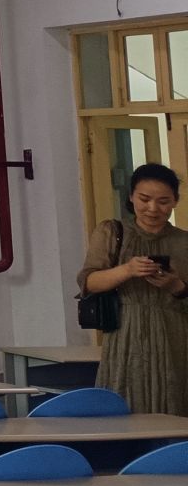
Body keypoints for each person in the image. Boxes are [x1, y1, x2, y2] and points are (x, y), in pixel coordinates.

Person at [78, 163, 188, 416]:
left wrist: (176, 286)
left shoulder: (183, 241)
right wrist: (127, 270)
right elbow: (88, 282)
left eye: (163, 201)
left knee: (175, 403)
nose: (153, 208)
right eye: (144, 199)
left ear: (175, 201)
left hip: (175, 335)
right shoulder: (112, 232)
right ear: (131, 197)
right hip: (126, 331)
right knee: (125, 398)